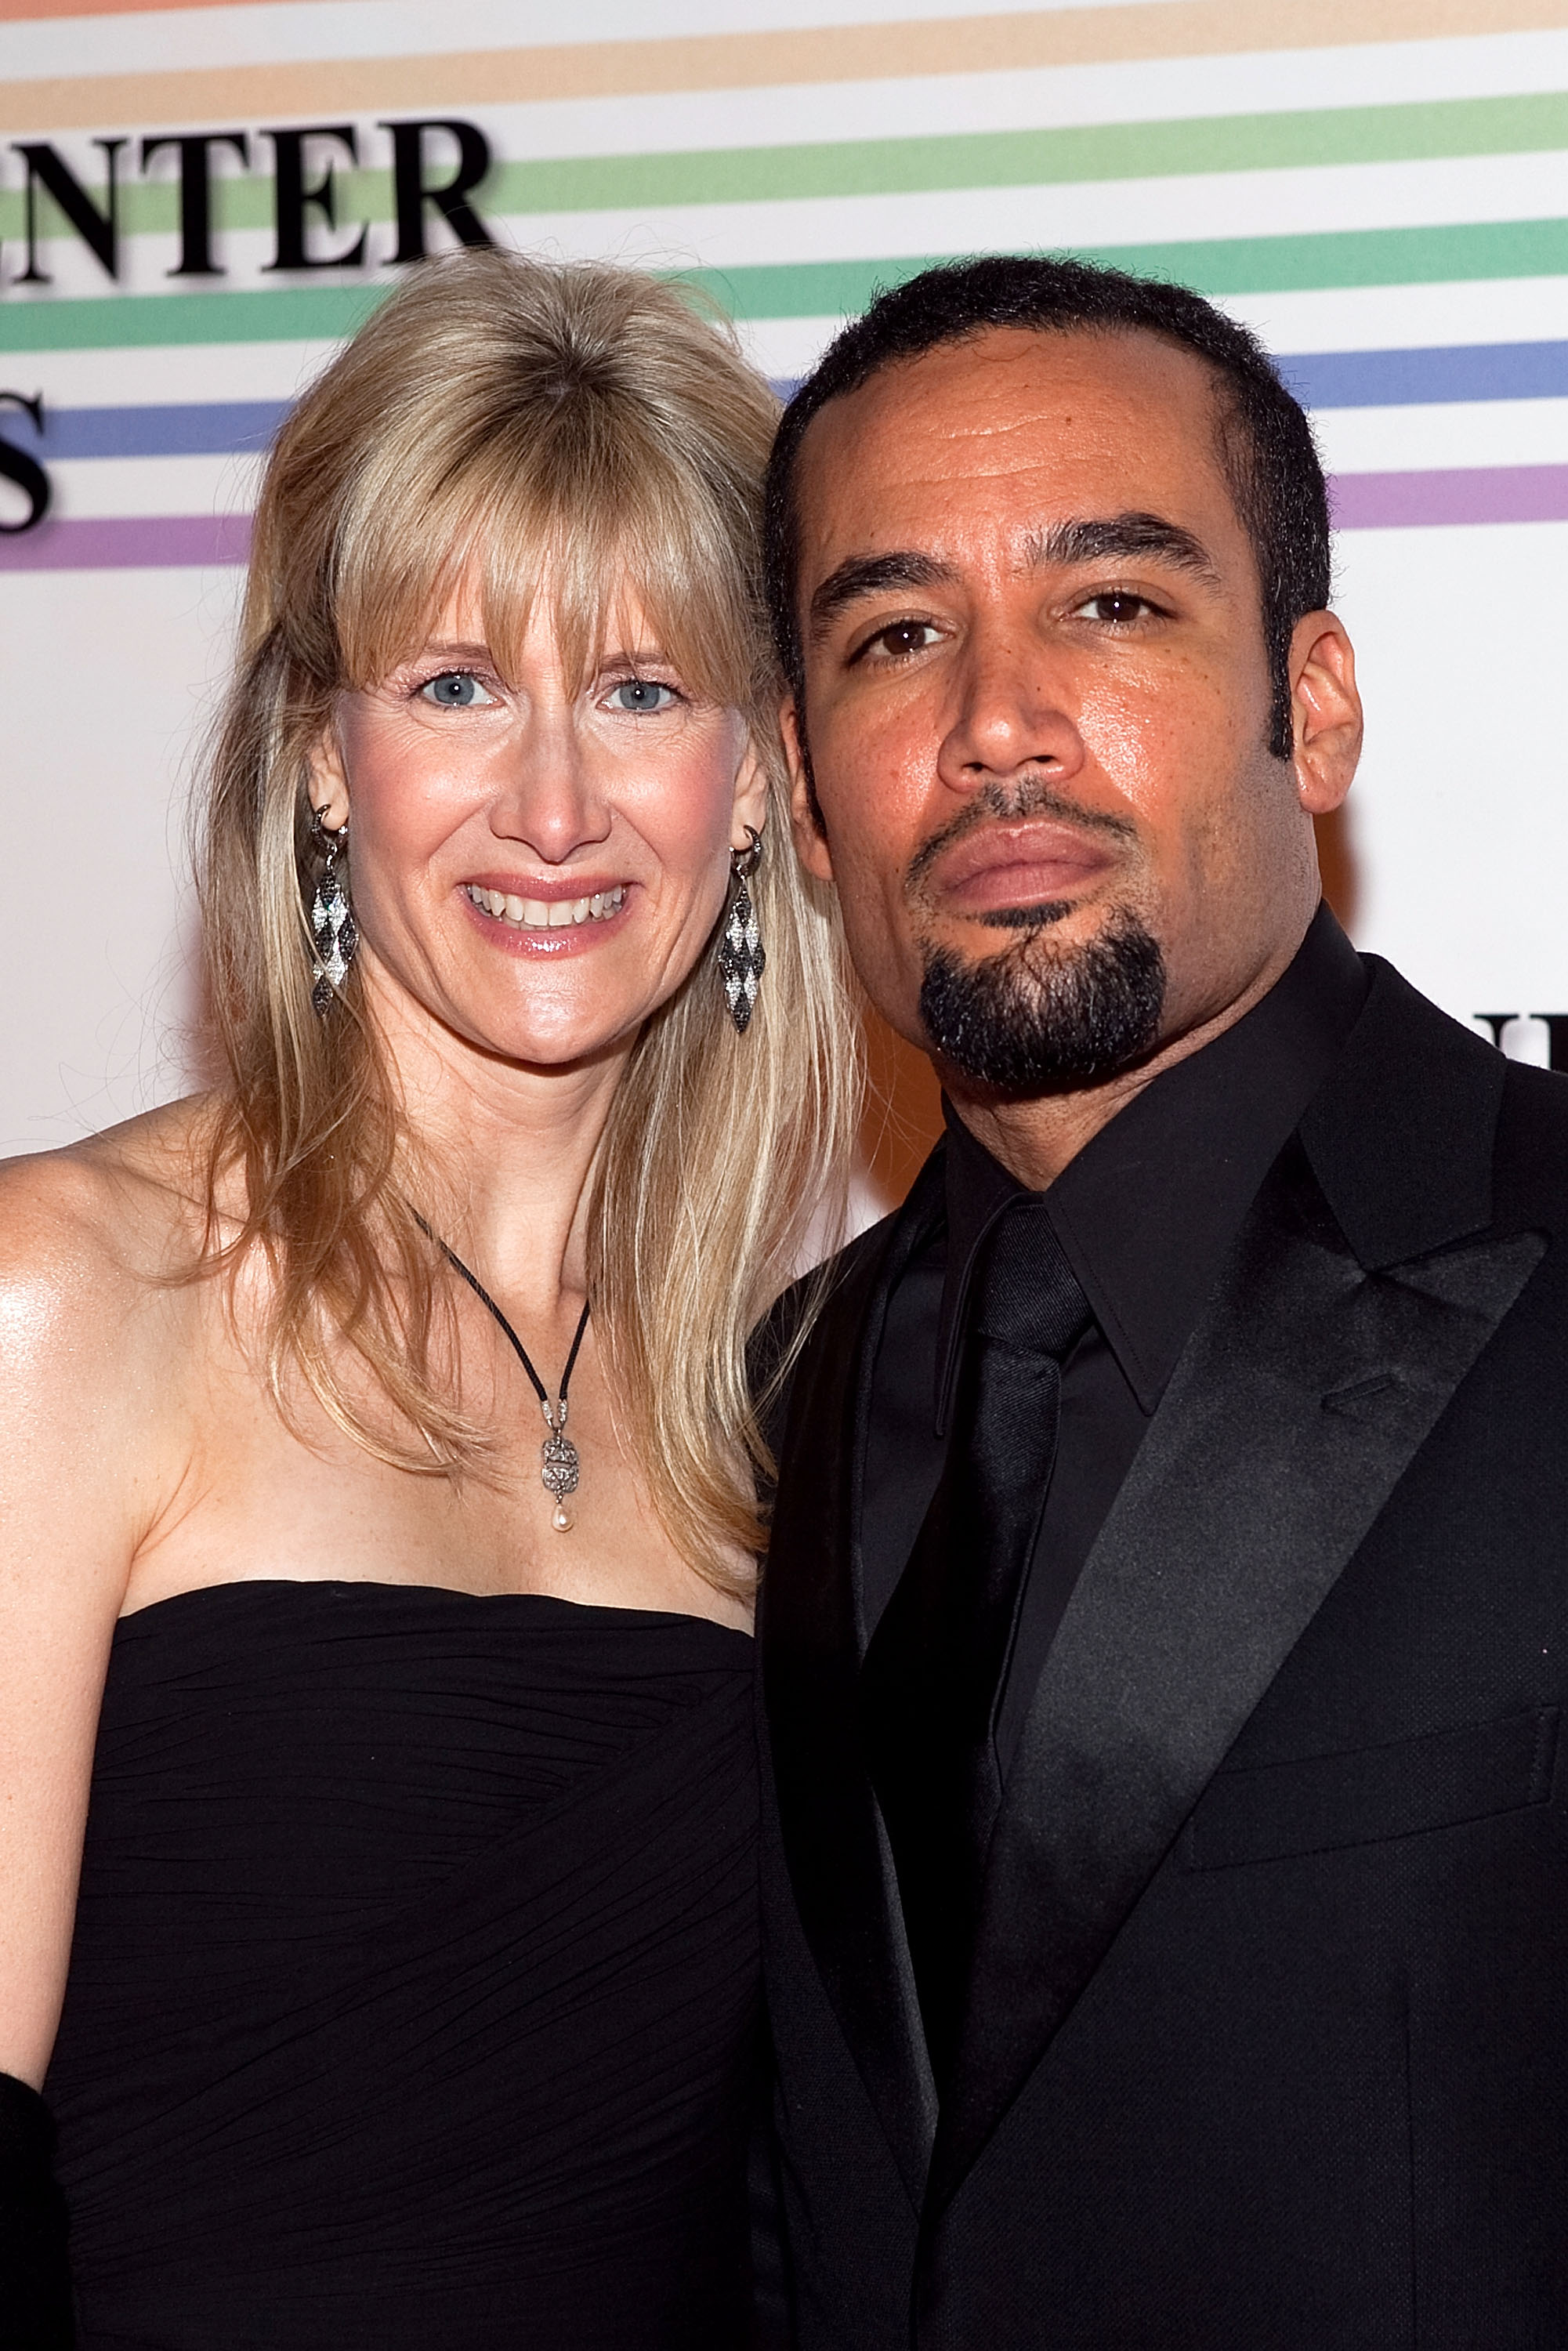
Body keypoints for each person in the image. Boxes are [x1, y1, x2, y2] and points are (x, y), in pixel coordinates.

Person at [0, 249, 859, 2348]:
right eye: (456, 684)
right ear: (321, 754)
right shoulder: (69, 1297)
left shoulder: (805, 1420)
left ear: (753, 782)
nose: (552, 805)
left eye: (643, 691)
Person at [751, 252, 1568, 2349]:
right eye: (893, 634)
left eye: (1110, 604)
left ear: (1310, 705)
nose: (993, 726)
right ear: (804, 789)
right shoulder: (754, 1407)